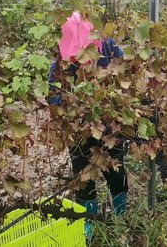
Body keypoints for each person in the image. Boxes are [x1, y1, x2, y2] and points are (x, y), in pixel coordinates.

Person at [48, 13, 128, 221]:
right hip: (77, 129)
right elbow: (53, 94)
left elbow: (126, 76)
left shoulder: (109, 47)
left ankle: (121, 219)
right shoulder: (60, 61)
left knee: (115, 170)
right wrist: (71, 108)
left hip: (109, 124)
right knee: (83, 177)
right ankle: (89, 225)